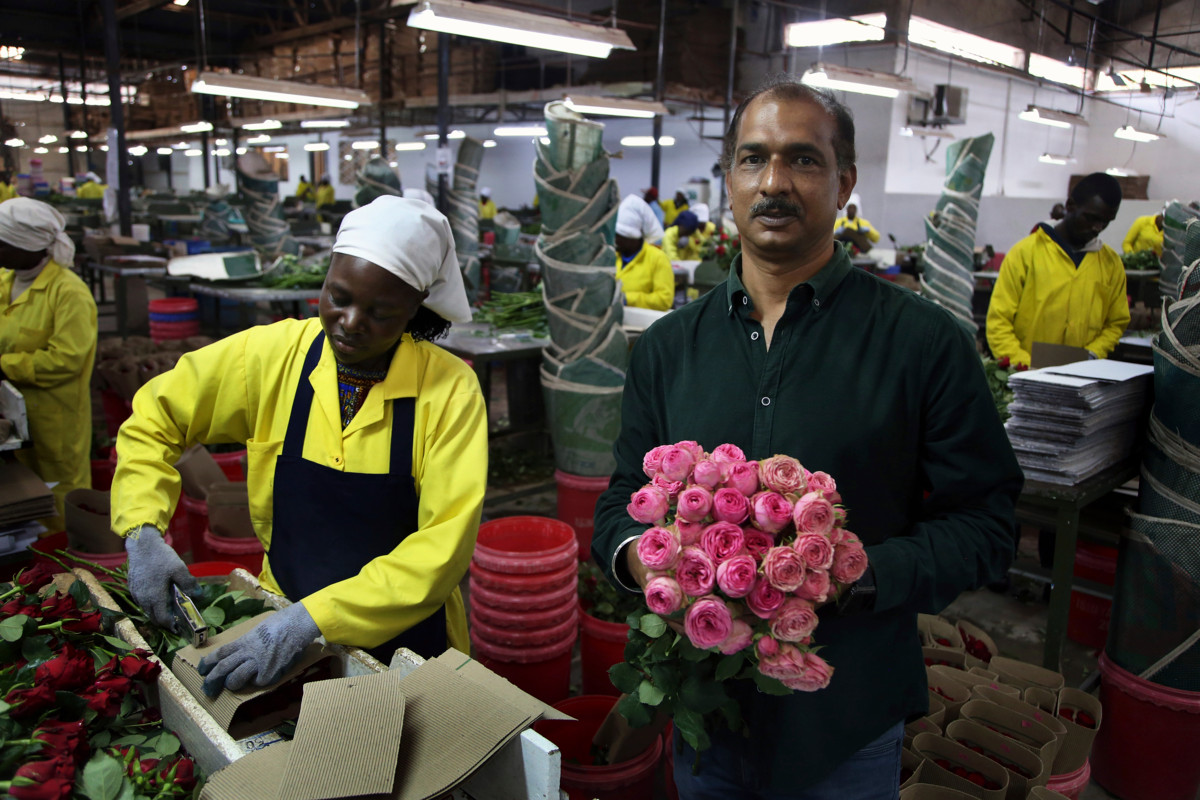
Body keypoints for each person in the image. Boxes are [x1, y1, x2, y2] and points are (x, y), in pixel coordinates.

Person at [592, 75, 1022, 798]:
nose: (774, 183)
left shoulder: (923, 344)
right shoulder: (668, 349)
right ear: (729, 177)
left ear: (844, 182)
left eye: (803, 159)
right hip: (704, 717)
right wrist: (643, 558)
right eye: (753, 159)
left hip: (844, 722)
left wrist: (858, 572)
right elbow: (619, 504)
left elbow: (987, 523)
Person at [111, 196, 487, 694]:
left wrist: (312, 619)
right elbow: (155, 417)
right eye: (338, 296)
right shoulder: (270, 357)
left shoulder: (449, 392)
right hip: (278, 620)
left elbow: (443, 546)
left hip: (407, 643)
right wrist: (142, 532)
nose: (350, 322)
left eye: (380, 312)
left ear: (416, 306)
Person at [0, 198, 98, 533]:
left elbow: (67, 359)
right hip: (13, 411)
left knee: (59, 496)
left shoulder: (69, 292)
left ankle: (67, 556)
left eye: (2, 243)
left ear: (28, 246)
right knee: (20, 492)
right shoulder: (5, 282)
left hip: (55, 419)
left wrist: (5, 366)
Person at [987, 173, 1130, 368]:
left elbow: (1116, 323)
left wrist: (1092, 354)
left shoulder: (1111, 264)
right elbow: (998, 322)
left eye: (1106, 222)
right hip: (1024, 372)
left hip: (1082, 374)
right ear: (1070, 205)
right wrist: (1023, 365)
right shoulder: (1025, 254)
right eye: (1091, 218)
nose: (1098, 228)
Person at [614, 195, 674, 311]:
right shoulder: (613, 257)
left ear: (634, 238)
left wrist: (627, 298)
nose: (615, 240)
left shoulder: (657, 258)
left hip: (643, 321)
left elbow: (664, 299)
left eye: (620, 236)